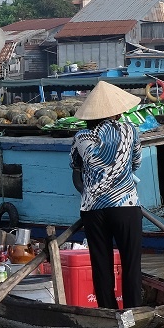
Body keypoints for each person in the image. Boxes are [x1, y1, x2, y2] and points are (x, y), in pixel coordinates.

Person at [70, 81, 144, 310]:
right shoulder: (131, 131)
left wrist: (91, 189)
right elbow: (136, 163)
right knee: (131, 264)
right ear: (116, 112)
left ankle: (108, 313)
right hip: (126, 206)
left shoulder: (81, 137)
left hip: (93, 210)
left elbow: (75, 167)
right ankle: (134, 313)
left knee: (101, 265)